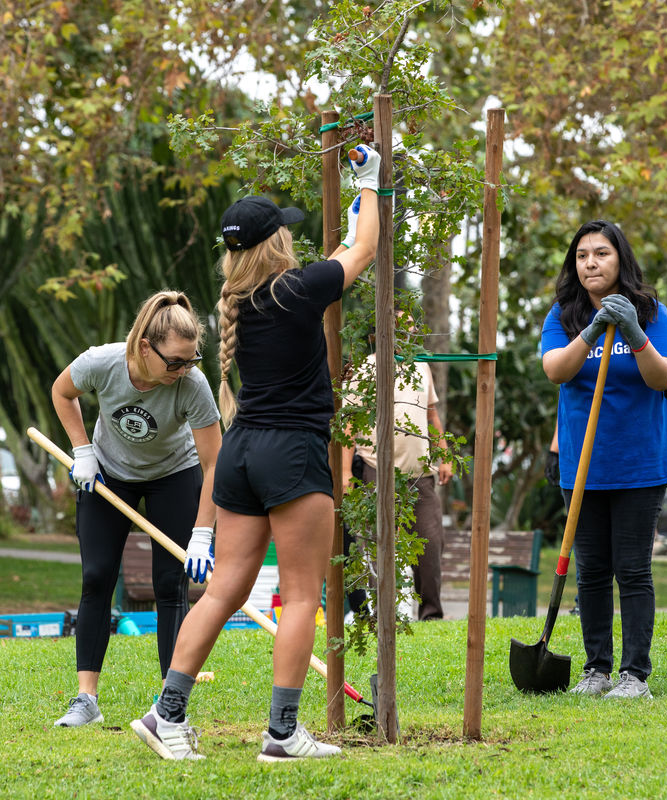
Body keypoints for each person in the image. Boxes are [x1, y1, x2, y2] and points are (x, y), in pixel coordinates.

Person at [130, 144, 381, 762]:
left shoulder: (240, 303)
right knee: (301, 596)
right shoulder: (298, 287)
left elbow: (347, 252)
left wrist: (351, 220)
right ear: (276, 244)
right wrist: (371, 184)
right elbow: (365, 252)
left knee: (223, 592)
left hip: (242, 453)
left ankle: (167, 715)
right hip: (291, 454)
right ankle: (282, 733)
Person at [49, 291, 221, 727]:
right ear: (146, 346)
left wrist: (203, 532)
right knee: (97, 576)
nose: (183, 370)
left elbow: (213, 462)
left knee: (170, 584)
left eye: (191, 360)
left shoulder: (192, 385)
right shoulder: (102, 363)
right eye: (175, 362)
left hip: (174, 475)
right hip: (107, 475)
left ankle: (170, 703)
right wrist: (82, 449)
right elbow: (62, 391)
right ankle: (86, 700)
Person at [540, 219, 667, 701]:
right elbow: (556, 369)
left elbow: (662, 377)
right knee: (592, 570)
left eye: (601, 253)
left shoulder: (653, 313)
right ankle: (596, 669)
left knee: (633, 569)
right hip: (583, 466)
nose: (591, 263)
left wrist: (634, 332)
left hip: (640, 463)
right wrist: (594, 329)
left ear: (620, 260)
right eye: (582, 256)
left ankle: (634, 674)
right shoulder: (564, 314)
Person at [342, 328, 454, 621]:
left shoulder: (420, 365)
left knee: (430, 543)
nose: (406, 336)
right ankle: (381, 614)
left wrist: (443, 456)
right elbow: (349, 425)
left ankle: (431, 615)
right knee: (377, 544)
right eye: (399, 330)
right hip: (375, 472)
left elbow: (431, 415)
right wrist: (344, 473)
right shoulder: (366, 368)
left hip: (420, 476)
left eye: (411, 331)